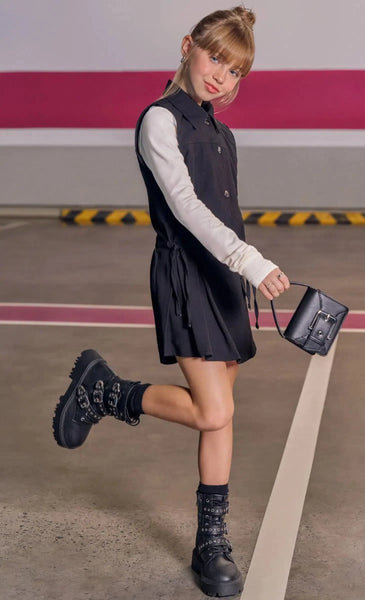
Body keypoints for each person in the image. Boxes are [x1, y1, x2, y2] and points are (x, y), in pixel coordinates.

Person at [52, 6, 290, 597]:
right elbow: (185, 207)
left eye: (234, 71)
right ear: (188, 46)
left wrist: (242, 267)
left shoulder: (221, 132)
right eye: (215, 59)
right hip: (187, 276)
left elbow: (224, 213)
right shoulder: (159, 121)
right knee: (212, 412)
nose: (221, 77)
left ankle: (211, 542)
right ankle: (106, 390)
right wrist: (251, 261)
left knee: (222, 415)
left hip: (224, 282)